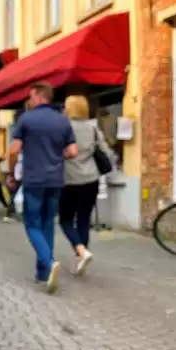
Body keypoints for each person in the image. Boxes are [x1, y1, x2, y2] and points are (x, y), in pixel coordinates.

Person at [7, 82, 78, 293]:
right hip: (56, 179)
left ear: (39, 97)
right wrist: (58, 157)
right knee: (47, 223)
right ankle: (43, 274)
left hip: (34, 179)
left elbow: (14, 149)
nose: (29, 100)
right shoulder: (63, 121)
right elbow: (73, 151)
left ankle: (49, 262)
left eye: (31, 96)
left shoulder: (26, 119)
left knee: (31, 223)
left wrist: (11, 173)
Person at [59, 95, 113, 275]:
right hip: (91, 179)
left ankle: (80, 250)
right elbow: (106, 151)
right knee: (83, 218)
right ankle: (81, 256)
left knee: (65, 219)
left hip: (68, 180)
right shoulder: (93, 126)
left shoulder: (64, 127)